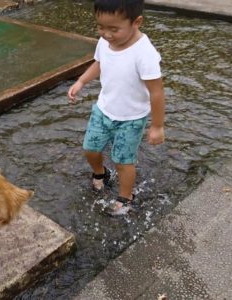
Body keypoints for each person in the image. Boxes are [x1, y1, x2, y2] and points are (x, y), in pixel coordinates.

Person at [67, 0, 165, 216]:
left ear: (136, 22)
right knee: (90, 149)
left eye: (114, 29)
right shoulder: (105, 42)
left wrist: (157, 125)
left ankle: (126, 196)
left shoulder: (144, 53)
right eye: (101, 27)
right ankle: (101, 173)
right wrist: (81, 81)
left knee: (123, 160)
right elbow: (99, 63)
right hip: (103, 110)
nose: (106, 34)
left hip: (130, 119)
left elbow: (156, 92)